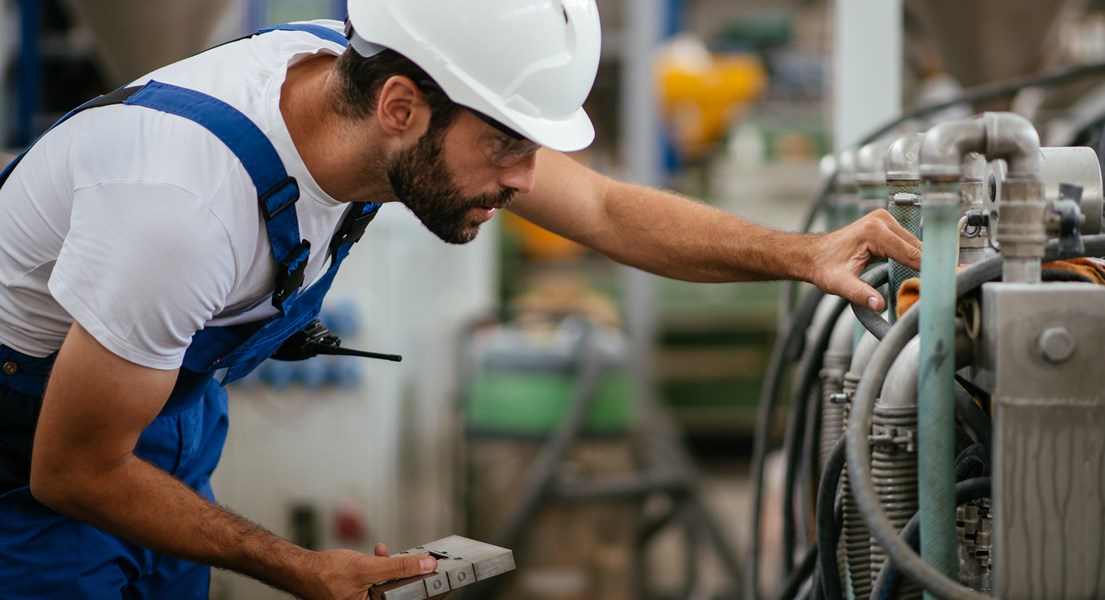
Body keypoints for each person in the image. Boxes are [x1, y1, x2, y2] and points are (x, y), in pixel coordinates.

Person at [0, 1, 921, 598]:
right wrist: (299, 568)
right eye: (508, 146)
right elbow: (73, 472)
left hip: (156, 418)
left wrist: (805, 253)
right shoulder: (184, 212)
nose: (527, 180)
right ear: (401, 107)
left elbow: (599, 206)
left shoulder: (353, 90)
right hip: (41, 459)